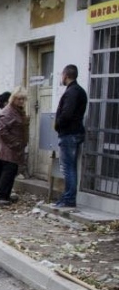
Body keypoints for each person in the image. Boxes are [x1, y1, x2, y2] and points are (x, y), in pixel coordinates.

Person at [53, 64, 88, 208]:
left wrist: (58, 125)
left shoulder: (72, 92)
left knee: (68, 168)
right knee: (70, 167)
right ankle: (68, 197)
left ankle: (69, 198)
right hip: (75, 132)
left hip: (69, 133)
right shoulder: (79, 91)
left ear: (66, 75)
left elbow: (66, 114)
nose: (61, 77)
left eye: (62, 74)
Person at [0, 87, 29, 207]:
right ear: (14, 98)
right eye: (19, 99)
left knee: (11, 172)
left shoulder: (17, 110)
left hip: (14, 147)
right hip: (9, 147)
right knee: (7, 172)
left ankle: (5, 195)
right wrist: (15, 143)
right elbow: (3, 131)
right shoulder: (8, 111)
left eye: (23, 99)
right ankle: (1, 197)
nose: (21, 101)